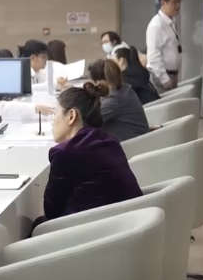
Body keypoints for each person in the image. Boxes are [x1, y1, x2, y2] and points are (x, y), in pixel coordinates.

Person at [41, 83, 143, 224]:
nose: (52, 122)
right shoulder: (109, 140)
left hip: (96, 229)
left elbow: (51, 212)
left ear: (71, 116)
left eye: (55, 114)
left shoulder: (64, 153)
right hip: (133, 221)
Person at [87, 59, 150, 142]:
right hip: (143, 140)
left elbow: (87, 124)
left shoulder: (113, 101)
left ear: (98, 82)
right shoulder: (125, 89)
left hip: (132, 145)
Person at [145, 0, 183, 91]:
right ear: (163, 3)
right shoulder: (156, 25)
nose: (178, 5)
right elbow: (153, 56)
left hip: (172, 75)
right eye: (174, 2)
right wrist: (165, 79)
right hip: (162, 77)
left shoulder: (170, 22)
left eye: (179, 1)